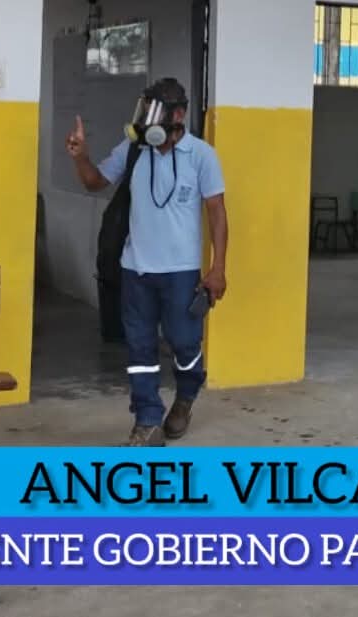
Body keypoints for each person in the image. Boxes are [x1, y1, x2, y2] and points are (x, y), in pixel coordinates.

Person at [65, 77, 228, 445]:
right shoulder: (134, 149)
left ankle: (186, 396)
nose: (146, 120)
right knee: (139, 348)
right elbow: (95, 182)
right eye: (145, 110)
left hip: (180, 272)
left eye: (156, 112)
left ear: (178, 115)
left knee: (184, 342)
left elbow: (217, 212)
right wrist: (80, 157)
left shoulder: (202, 155)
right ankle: (148, 420)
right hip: (136, 269)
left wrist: (218, 268)